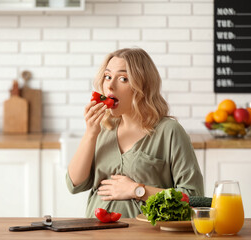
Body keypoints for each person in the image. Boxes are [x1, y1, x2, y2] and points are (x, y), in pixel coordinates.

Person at [66, 48, 204, 218]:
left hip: (147, 234)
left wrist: (138, 190)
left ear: (143, 87)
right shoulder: (103, 128)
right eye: (108, 76)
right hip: (96, 232)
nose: (110, 85)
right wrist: (90, 133)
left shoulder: (169, 131)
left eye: (123, 79)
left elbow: (194, 197)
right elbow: (74, 184)